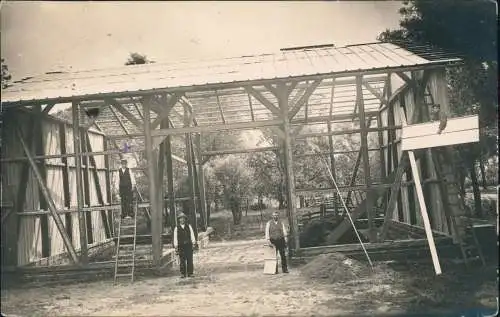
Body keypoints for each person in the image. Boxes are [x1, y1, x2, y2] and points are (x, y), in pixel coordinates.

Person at [173, 212, 197, 278]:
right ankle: (183, 273)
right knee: (182, 260)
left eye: (183, 218)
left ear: (185, 219)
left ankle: (190, 273)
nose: (182, 220)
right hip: (181, 246)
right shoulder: (176, 228)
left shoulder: (189, 226)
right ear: (179, 220)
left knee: (190, 259)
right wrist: (176, 246)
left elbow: (192, 235)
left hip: (188, 245)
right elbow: (175, 238)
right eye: (181, 218)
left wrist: (194, 242)